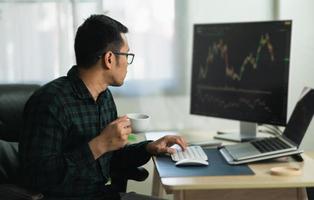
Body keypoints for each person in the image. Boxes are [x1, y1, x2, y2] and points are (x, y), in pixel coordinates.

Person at [19, 14, 187, 200]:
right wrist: (98, 145)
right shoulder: (50, 102)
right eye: (126, 55)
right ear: (109, 59)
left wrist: (149, 148)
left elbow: (112, 157)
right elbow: (36, 178)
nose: (127, 63)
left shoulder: (104, 96)